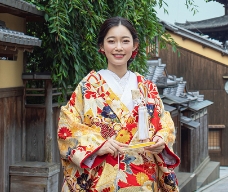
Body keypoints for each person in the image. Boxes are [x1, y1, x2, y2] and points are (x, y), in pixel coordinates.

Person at [57, 16, 180, 192]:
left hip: (143, 178)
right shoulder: (88, 87)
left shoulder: (147, 87)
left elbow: (164, 123)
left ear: (135, 45)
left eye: (125, 41)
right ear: (102, 46)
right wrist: (98, 146)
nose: (119, 47)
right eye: (111, 41)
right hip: (101, 180)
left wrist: (161, 140)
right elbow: (67, 127)